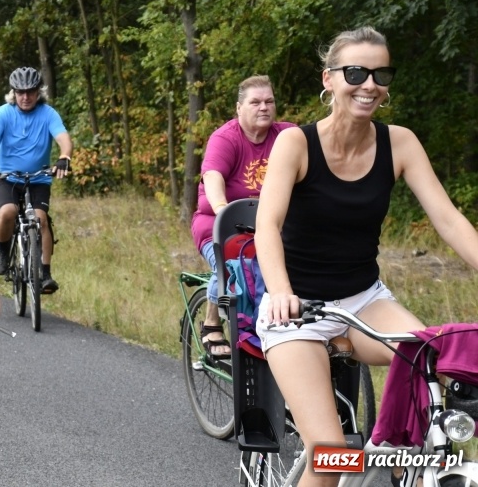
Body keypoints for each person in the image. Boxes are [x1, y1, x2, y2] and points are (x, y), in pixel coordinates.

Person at [254, 26, 478, 487]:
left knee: (428, 361)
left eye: (381, 73)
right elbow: (266, 225)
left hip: (364, 300)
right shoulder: (295, 143)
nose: (370, 83)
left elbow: (450, 220)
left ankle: (397, 464)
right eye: (356, 71)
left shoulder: (400, 143)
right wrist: (280, 292)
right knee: (331, 455)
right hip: (299, 310)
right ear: (330, 79)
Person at [190, 75, 294, 357]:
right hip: (221, 224)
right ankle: (212, 323)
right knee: (234, 261)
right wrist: (224, 209)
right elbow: (212, 177)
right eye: (255, 102)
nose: (264, 107)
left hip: (270, 224)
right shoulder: (226, 138)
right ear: (239, 108)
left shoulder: (287, 136)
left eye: (269, 101)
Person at [0, 66, 72, 294]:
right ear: (13, 93)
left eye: (30, 91)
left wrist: (64, 158)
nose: (25, 97)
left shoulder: (48, 114)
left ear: (38, 92)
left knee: (41, 219)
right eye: (20, 92)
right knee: (8, 211)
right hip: (7, 178)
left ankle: (45, 274)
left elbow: (64, 139)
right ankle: (3, 253)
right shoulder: (3, 113)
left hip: (39, 178)